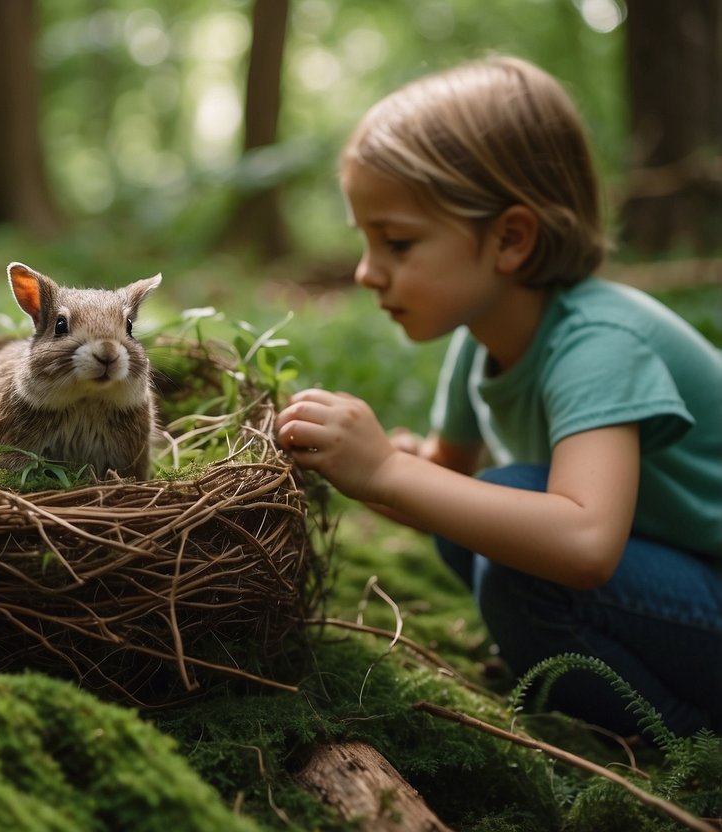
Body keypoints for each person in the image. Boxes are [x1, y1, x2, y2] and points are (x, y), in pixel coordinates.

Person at [277, 56, 722, 737]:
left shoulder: (597, 342)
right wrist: (373, 464)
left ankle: (681, 740)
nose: (367, 272)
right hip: (670, 577)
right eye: (364, 241)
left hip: (705, 594)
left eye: (396, 242)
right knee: (480, 527)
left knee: (518, 557)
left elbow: (584, 544)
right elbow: (442, 483)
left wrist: (389, 471)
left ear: (510, 239)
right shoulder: (481, 337)